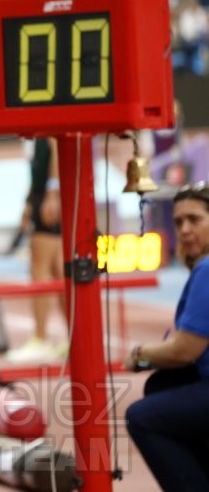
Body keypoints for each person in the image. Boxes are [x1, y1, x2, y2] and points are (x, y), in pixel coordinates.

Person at [124, 182, 209, 491]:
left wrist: (139, 354)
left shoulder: (208, 270)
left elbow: (185, 350)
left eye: (194, 220)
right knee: (162, 386)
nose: (185, 230)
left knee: (143, 417)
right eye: (178, 222)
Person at [7, 137, 66, 363]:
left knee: (39, 269)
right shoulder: (34, 136)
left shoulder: (48, 132)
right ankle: (74, 337)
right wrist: (29, 202)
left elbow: (58, 152)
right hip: (43, 198)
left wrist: (53, 195)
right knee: (59, 271)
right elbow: (38, 171)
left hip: (51, 201)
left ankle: (40, 339)